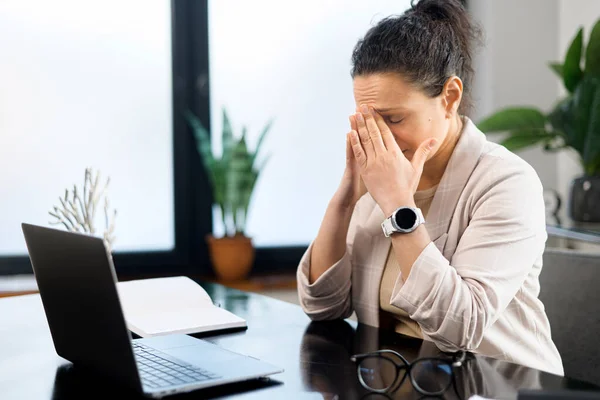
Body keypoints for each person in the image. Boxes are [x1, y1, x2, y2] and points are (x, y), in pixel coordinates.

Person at [296, 0, 563, 376]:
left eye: (394, 118)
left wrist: (397, 206)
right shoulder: (379, 177)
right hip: (401, 379)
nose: (380, 138)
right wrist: (345, 199)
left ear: (450, 98)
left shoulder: (507, 183)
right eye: (370, 120)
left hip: (492, 384)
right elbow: (322, 305)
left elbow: (460, 327)